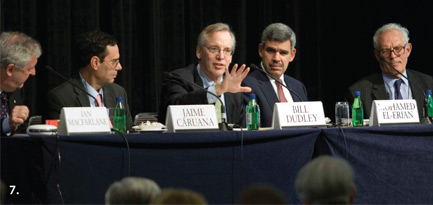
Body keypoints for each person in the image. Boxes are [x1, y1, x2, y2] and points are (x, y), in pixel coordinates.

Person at [158, 23, 251, 126]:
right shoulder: (180, 78)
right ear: (199, 52)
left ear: (231, 57)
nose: (221, 56)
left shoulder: (234, 91)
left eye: (227, 50)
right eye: (214, 49)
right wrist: (215, 91)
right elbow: (176, 108)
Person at [46, 30, 133, 129]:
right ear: (95, 63)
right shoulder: (61, 98)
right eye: (114, 62)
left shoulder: (118, 92)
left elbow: (129, 133)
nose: (119, 67)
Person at [346, 23, 433, 120]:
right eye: (385, 51)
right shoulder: (360, 92)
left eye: (397, 48)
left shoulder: (428, 85)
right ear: (377, 56)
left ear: (408, 50)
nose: (392, 56)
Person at [241, 23, 308, 127]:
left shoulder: (298, 87)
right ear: (260, 50)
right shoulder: (247, 85)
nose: (276, 58)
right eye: (271, 51)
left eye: (283, 53)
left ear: (292, 55)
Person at [0, 31, 41, 136]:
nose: (33, 73)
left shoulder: (13, 89)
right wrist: (6, 124)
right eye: (29, 69)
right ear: (10, 69)